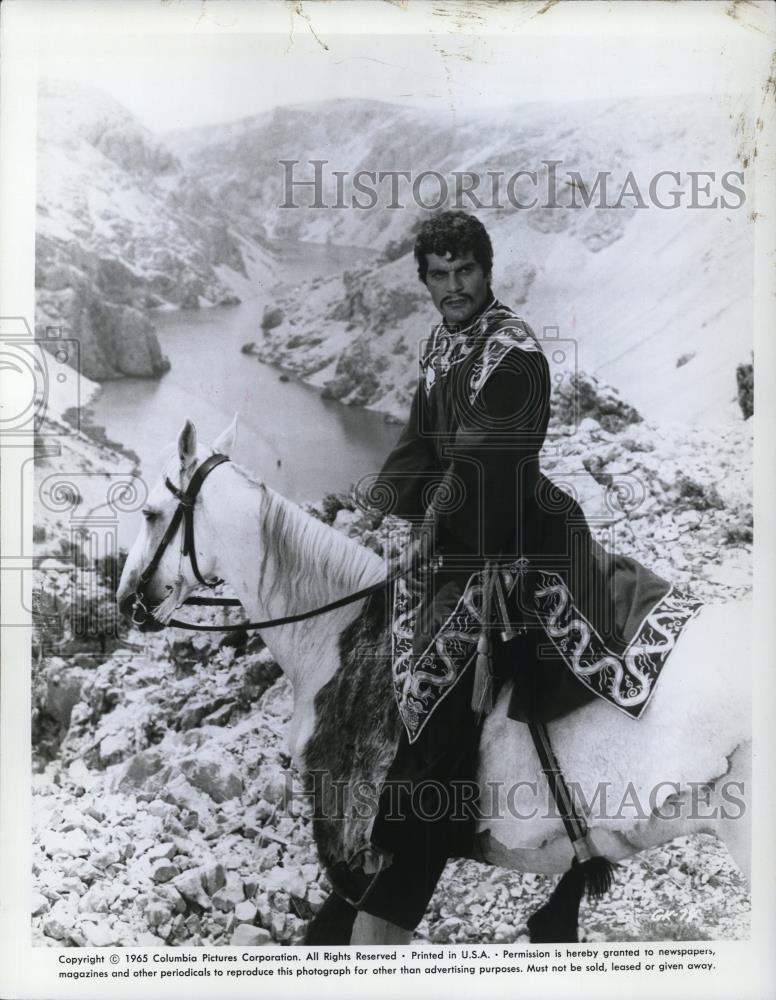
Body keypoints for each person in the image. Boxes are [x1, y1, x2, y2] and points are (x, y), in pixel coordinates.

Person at [329, 210, 600, 933]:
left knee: (443, 684)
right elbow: (421, 442)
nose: (453, 287)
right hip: (459, 531)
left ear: (488, 270)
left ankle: (417, 841)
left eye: (465, 271)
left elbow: (487, 457)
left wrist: (430, 522)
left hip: (513, 532)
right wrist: (377, 501)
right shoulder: (442, 345)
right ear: (424, 281)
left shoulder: (513, 352)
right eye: (439, 275)